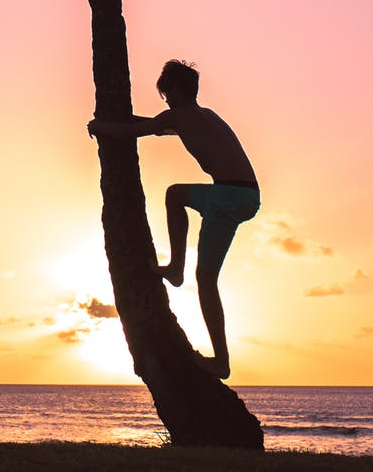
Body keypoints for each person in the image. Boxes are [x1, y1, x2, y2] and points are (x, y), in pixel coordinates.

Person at [87, 59, 259, 379]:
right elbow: (152, 126)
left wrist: (98, 127)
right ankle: (176, 268)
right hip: (245, 194)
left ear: (176, 89)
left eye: (166, 92)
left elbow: (135, 131)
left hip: (227, 196)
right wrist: (113, 121)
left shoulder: (178, 115)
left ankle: (221, 361)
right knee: (175, 195)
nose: (165, 98)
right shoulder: (203, 116)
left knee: (206, 281)